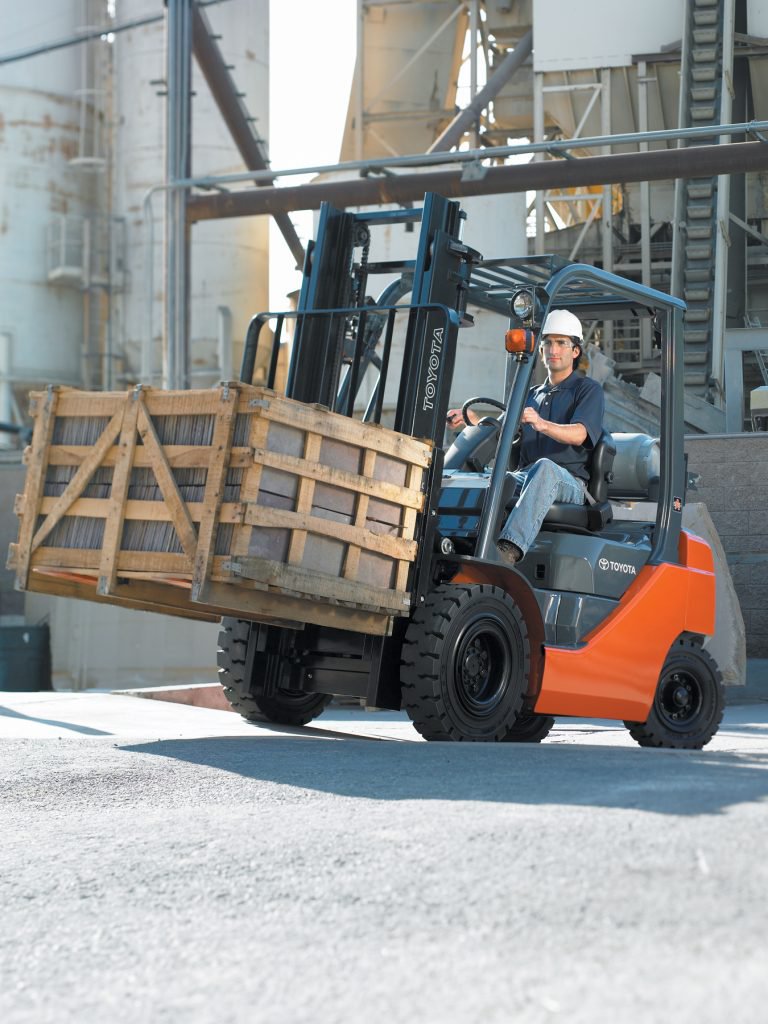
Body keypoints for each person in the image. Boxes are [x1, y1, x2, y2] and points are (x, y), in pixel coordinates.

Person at [446, 308, 604, 565]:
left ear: (575, 351)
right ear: (540, 351)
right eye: (548, 343)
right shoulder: (531, 393)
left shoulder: (587, 390)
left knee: (545, 469)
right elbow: (503, 428)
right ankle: (461, 540)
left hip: (570, 483)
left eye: (561, 343)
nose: (553, 349)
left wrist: (541, 424)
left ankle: (507, 551)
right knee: (490, 477)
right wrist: (470, 420)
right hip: (527, 476)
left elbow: (580, 434)